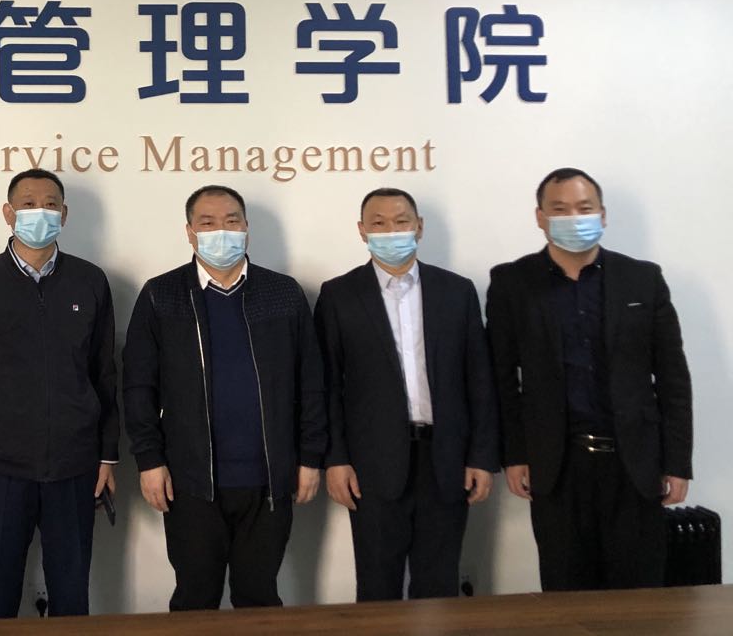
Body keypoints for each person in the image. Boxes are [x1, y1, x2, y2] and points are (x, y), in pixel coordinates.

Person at [486, 167, 693, 590]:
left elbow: (673, 377)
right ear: (540, 217)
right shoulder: (511, 282)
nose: (574, 218)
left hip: (635, 464)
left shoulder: (642, 278)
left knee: (640, 592)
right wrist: (514, 454)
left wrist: (677, 463)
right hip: (557, 464)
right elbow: (502, 379)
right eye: (559, 209)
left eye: (584, 208)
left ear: (603, 214)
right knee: (566, 590)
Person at [123, 184, 325, 610]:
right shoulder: (162, 295)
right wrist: (149, 461)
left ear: (246, 227)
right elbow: (139, 386)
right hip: (191, 482)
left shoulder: (283, 293)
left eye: (231, 221)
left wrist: (309, 458)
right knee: (195, 598)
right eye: (208, 223)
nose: (221, 232)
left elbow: (310, 381)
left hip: (268, 480)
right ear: (190, 232)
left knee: (258, 597)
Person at [0, 169, 119, 618]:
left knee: (72, 599)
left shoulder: (90, 281)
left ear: (64, 213)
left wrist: (107, 456)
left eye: (49, 204)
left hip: (76, 466)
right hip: (0, 467)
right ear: (8, 213)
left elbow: (104, 374)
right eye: (28, 203)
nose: (39, 212)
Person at [314, 188, 499, 601]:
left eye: (401, 221)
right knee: (377, 585)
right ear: (362, 230)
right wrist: (336, 459)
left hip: (446, 459)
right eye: (378, 223)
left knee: (439, 584)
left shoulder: (456, 291)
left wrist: (482, 457)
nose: (391, 231)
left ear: (419, 226)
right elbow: (328, 386)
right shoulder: (339, 295)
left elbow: (479, 380)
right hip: (372, 464)